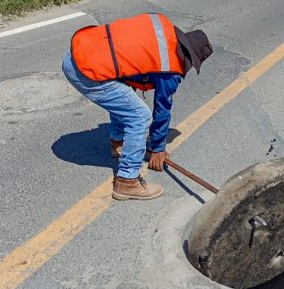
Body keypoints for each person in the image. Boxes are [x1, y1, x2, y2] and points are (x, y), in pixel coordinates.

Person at [62, 13, 213, 200]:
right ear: (190, 58)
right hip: (85, 70)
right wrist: (158, 148)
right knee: (139, 116)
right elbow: (162, 108)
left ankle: (117, 143)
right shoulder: (171, 65)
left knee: (124, 97)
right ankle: (128, 180)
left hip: (80, 50)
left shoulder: (162, 33)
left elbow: (127, 71)